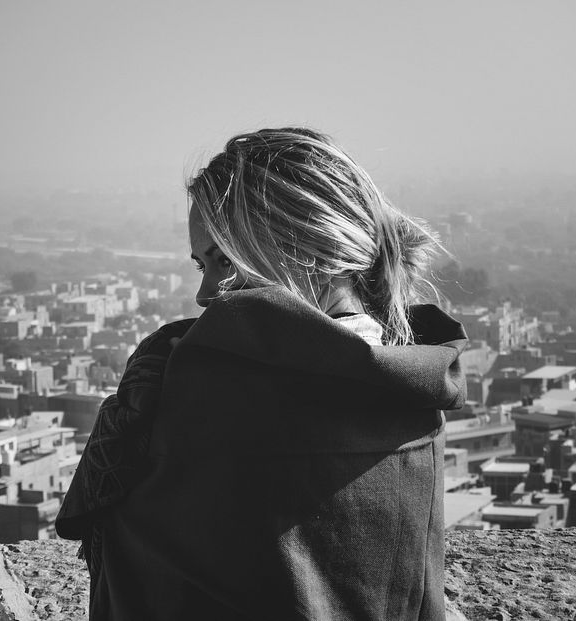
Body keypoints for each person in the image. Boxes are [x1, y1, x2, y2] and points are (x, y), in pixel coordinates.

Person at [56, 127, 467, 620]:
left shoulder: (188, 378)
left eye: (224, 261)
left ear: (310, 247)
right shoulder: (419, 376)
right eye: (200, 266)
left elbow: (106, 530)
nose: (205, 294)